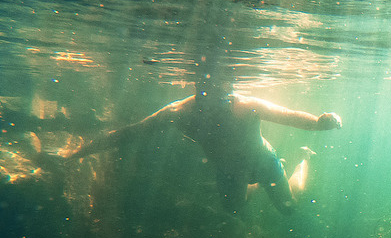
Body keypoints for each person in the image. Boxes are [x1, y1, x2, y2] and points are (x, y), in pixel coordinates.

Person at [66, 89, 342, 214]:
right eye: (215, 95)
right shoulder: (179, 113)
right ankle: (264, 181)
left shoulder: (246, 105)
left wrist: (320, 123)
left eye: (226, 93)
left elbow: (289, 116)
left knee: (288, 208)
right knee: (233, 209)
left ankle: (303, 159)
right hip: (230, 173)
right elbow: (130, 133)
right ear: (200, 91)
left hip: (263, 162)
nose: (224, 100)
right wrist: (81, 151)